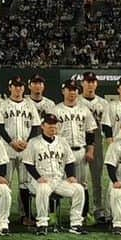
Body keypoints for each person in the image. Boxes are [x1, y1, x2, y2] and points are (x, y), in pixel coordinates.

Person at [24, 113, 86, 236]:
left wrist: (71, 176)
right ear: (43, 126)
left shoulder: (62, 142)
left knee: (79, 189)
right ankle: (42, 224)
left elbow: (69, 161)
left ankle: (75, 223)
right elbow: (28, 163)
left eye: (54, 125)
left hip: (58, 180)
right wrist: (38, 178)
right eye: (49, 124)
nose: (53, 127)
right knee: (42, 189)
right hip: (40, 181)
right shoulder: (33, 142)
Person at [0, 77, 42, 227]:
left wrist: (27, 142)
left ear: (24, 88)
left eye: (20, 86)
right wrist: (11, 142)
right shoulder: (3, 105)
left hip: (25, 149)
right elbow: (0, 126)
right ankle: (3, 216)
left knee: (25, 183)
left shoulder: (30, 105)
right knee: (5, 183)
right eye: (15, 86)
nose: (18, 89)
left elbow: (36, 126)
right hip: (7, 149)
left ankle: (26, 215)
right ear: (10, 88)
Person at [53, 79, 98, 222]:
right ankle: (53, 213)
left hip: (79, 151)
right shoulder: (55, 110)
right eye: (69, 89)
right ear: (63, 91)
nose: (72, 92)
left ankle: (83, 215)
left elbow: (90, 132)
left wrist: (90, 150)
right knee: (56, 182)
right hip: (59, 152)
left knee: (82, 184)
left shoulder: (84, 110)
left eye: (74, 89)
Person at [78, 72, 107, 222]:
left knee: (97, 178)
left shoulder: (103, 103)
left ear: (96, 84)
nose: (90, 84)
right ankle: (80, 210)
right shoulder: (76, 101)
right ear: (82, 83)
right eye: (87, 81)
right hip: (78, 140)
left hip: (97, 139)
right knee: (79, 179)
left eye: (92, 81)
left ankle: (98, 209)